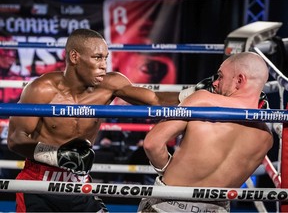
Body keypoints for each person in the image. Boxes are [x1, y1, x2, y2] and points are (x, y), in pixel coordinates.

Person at [7, 28, 180, 212]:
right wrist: (57, 155)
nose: (104, 65)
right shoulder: (41, 89)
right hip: (38, 185)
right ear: (75, 57)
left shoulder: (110, 85)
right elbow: (16, 139)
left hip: (79, 185)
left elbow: (156, 100)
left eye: (105, 57)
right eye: (97, 57)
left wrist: (198, 92)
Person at [138, 52, 274, 212]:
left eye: (221, 76)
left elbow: (152, 143)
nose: (215, 83)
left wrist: (169, 172)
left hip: (168, 204)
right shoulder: (266, 137)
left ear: (239, 80)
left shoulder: (203, 100)